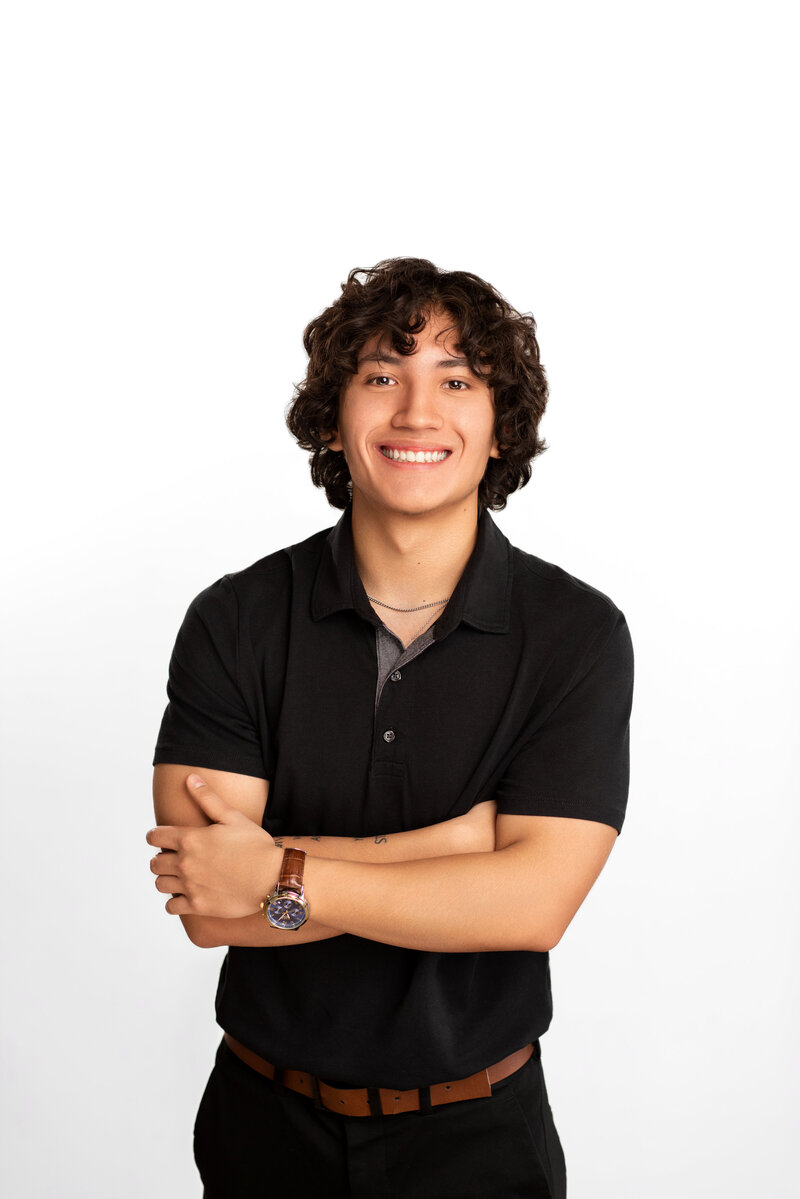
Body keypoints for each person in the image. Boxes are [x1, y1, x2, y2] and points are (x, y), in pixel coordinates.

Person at [148, 256, 634, 1198]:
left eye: (457, 380)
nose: (417, 412)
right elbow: (211, 904)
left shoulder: (578, 633)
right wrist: (458, 847)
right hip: (264, 1128)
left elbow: (533, 906)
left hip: (480, 1135)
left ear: (501, 431)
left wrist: (281, 874)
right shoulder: (235, 617)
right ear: (335, 419)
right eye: (381, 375)